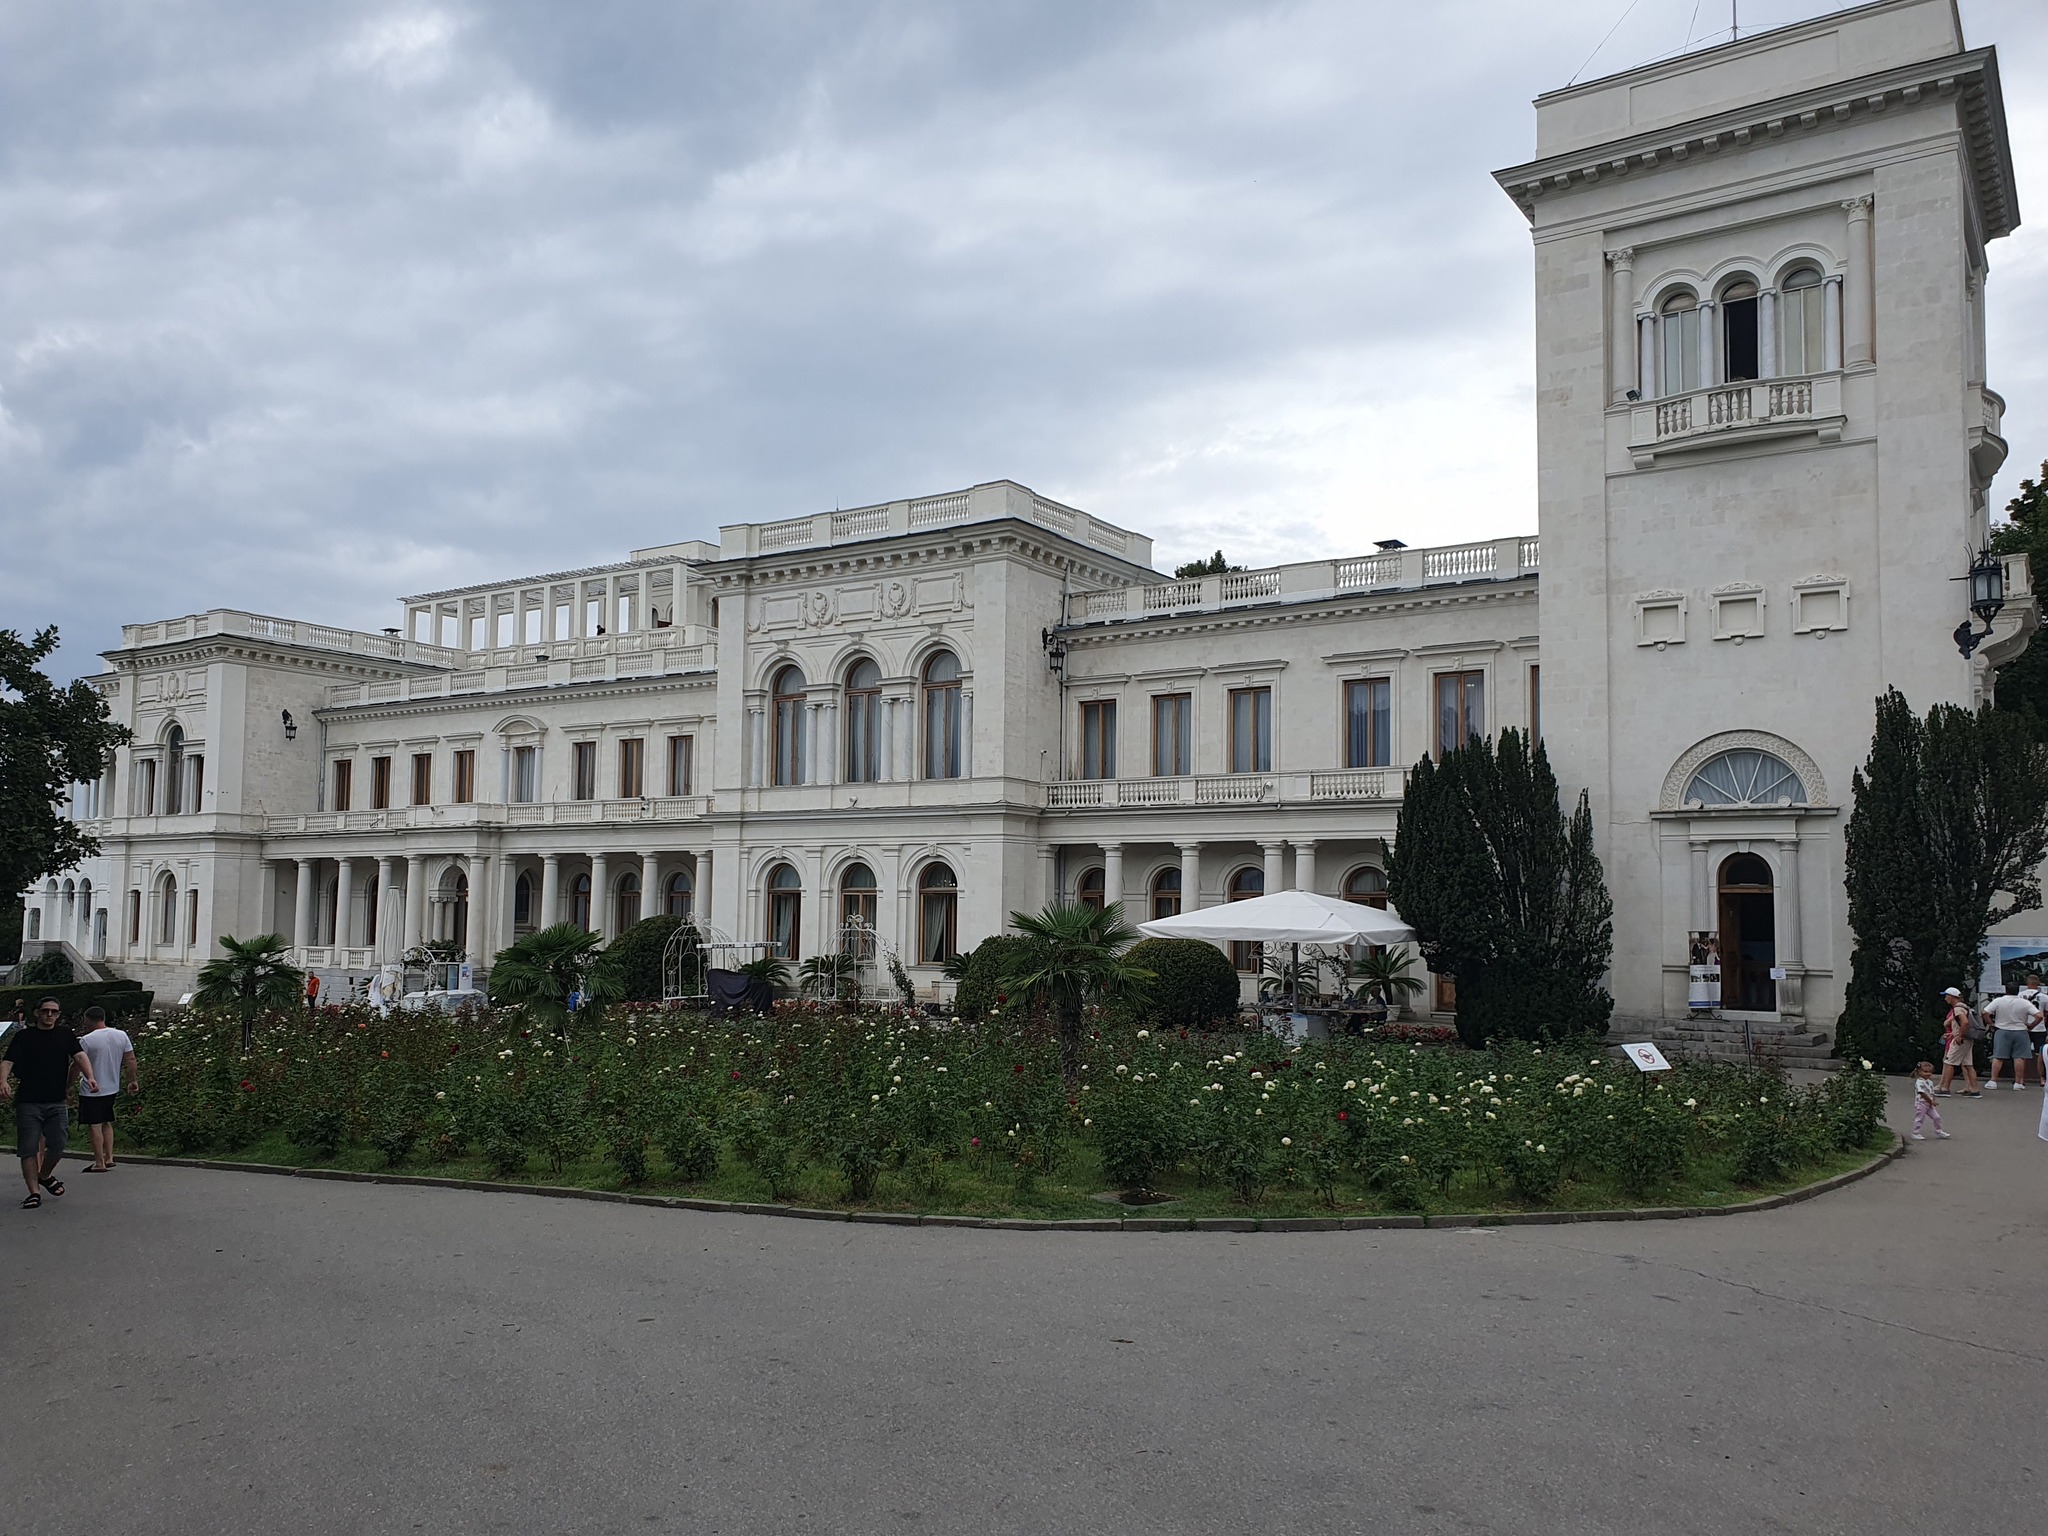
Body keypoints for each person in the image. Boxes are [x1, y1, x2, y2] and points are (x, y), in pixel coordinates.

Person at [0, 999, 98, 1209]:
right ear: (37, 1013)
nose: (50, 1015)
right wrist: (3, 1081)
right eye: (45, 1011)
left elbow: (79, 1055)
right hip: (29, 1101)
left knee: (58, 1144)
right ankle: (34, 1193)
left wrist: (90, 1076)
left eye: (54, 1012)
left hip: (56, 1101)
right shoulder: (24, 1036)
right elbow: (8, 1061)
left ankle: (44, 1175)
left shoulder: (64, 1034)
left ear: (58, 1014)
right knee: (28, 1148)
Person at [73, 1005, 137, 1172]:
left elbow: (77, 1064)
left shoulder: (86, 1040)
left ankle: (99, 1161)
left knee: (94, 1125)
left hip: (91, 1088)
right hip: (112, 1086)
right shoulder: (121, 1035)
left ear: (88, 1020)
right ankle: (109, 1157)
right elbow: (130, 1059)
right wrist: (132, 1080)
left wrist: (68, 1084)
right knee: (107, 1121)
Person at [1980, 982, 2040, 1090]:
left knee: (1998, 1056)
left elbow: (1985, 1013)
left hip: (2002, 1030)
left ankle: (1993, 1081)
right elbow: (2039, 1015)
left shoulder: (1999, 1001)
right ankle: (2018, 1083)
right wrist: (2031, 1026)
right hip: (2021, 1031)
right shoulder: (2024, 1003)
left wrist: (1991, 1023)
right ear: (2018, 990)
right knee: (2019, 1057)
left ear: (2006, 990)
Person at [1935, 987, 1981, 1096]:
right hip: (1968, 1039)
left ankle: (1945, 1088)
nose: (1945, 998)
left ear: (1951, 997)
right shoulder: (1965, 1007)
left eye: (1946, 996)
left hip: (1961, 1040)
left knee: (1949, 1062)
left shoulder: (1957, 1009)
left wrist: (1959, 1036)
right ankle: (1974, 1089)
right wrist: (1953, 1033)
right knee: (1968, 1064)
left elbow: (1964, 1023)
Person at [1911, 1062, 1950, 1141]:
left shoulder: (1930, 1082)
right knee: (1920, 1118)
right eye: (1925, 1072)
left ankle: (1938, 1131)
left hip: (1929, 1104)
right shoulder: (1919, 1082)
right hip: (1921, 1103)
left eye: (1930, 1072)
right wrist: (1931, 1101)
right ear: (1919, 1072)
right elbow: (1922, 1093)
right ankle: (1915, 1133)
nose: (1928, 1074)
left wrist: (1933, 1100)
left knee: (1937, 1117)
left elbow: (1932, 1092)